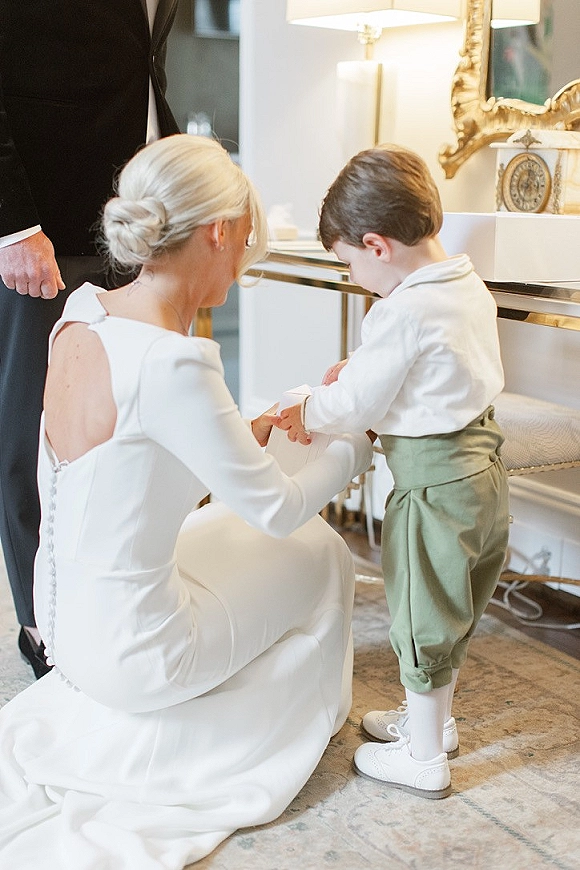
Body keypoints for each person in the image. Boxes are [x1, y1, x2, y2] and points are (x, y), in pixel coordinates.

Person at [0, 134, 373, 867]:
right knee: (322, 550)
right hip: (139, 655)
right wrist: (357, 444)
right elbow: (273, 510)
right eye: (245, 238)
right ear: (219, 231)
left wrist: (248, 431)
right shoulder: (176, 361)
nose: (243, 259)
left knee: (239, 532)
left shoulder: (84, 313)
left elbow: (136, 465)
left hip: (62, 628)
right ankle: (276, 728)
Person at [275, 144, 510, 800]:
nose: (354, 277)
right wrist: (363, 366)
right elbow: (437, 370)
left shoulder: (401, 310)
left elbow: (354, 405)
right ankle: (433, 721)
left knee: (419, 614)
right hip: (485, 475)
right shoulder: (463, 283)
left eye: (348, 262)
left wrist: (308, 408)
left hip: (434, 487)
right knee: (453, 607)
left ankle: (426, 757)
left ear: (375, 246)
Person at [0, 0, 179, 678]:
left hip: (138, 219)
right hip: (46, 224)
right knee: (33, 432)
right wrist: (12, 224)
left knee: (134, 424)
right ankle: (40, 624)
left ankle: (117, 610)